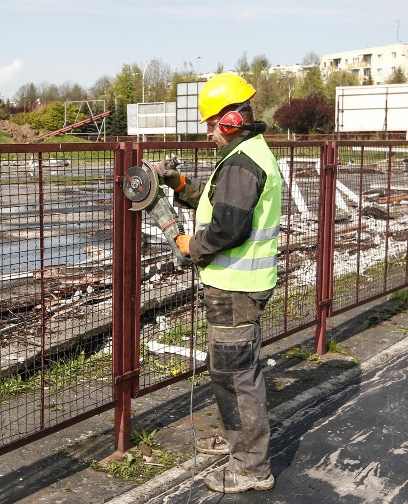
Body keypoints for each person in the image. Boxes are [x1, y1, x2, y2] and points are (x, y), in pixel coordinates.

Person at [155, 73, 282, 493]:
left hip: (235, 288)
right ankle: (239, 444)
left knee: (235, 375)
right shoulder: (248, 153)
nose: (209, 134)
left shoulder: (243, 162)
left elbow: (227, 227)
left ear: (229, 120)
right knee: (232, 370)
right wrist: (177, 184)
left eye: (211, 125)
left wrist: (188, 244)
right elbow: (215, 199)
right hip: (240, 286)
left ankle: (250, 466)